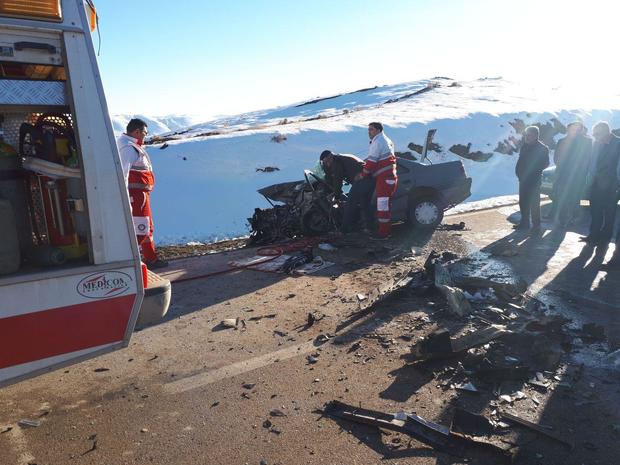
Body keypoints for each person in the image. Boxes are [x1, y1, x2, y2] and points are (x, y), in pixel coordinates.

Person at [117, 118, 168, 270]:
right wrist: (125, 196)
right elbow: (123, 174)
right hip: (136, 196)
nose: (146, 136)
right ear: (137, 132)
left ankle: (151, 258)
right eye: (145, 133)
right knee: (141, 228)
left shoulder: (130, 145)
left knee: (147, 227)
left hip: (141, 194)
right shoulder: (128, 148)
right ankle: (129, 261)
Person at [355, 122, 398, 239]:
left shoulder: (378, 142)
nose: (369, 132)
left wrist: (362, 175)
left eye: (371, 129)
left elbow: (372, 162)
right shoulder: (386, 140)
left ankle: (384, 233)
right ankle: (385, 231)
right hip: (389, 178)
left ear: (379, 130)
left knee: (382, 206)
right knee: (385, 206)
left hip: (385, 179)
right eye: (368, 130)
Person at [581, 122, 620, 245]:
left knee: (609, 213)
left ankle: (605, 238)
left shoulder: (618, 143)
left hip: (613, 186)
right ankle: (593, 235)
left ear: (606, 132)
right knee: (595, 211)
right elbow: (592, 163)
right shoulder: (596, 144)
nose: (595, 136)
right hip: (596, 184)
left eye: (597, 134)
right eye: (594, 134)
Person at [552, 121, 592, 227]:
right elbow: (556, 157)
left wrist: (581, 172)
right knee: (562, 197)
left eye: (577, 129)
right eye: (572, 128)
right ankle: (562, 220)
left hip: (577, 177)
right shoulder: (561, 141)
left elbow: (588, 159)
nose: (574, 131)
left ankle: (573, 218)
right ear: (568, 129)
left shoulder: (587, 142)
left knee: (575, 199)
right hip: (562, 175)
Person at [515, 126, 549, 230]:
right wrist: (519, 173)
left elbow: (545, 163)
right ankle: (524, 223)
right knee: (523, 201)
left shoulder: (542, 148)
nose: (527, 137)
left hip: (534, 179)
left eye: (529, 135)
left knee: (534, 202)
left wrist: (532, 170)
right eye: (526, 135)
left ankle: (536, 224)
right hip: (523, 179)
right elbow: (520, 161)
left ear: (535, 135)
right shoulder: (524, 146)